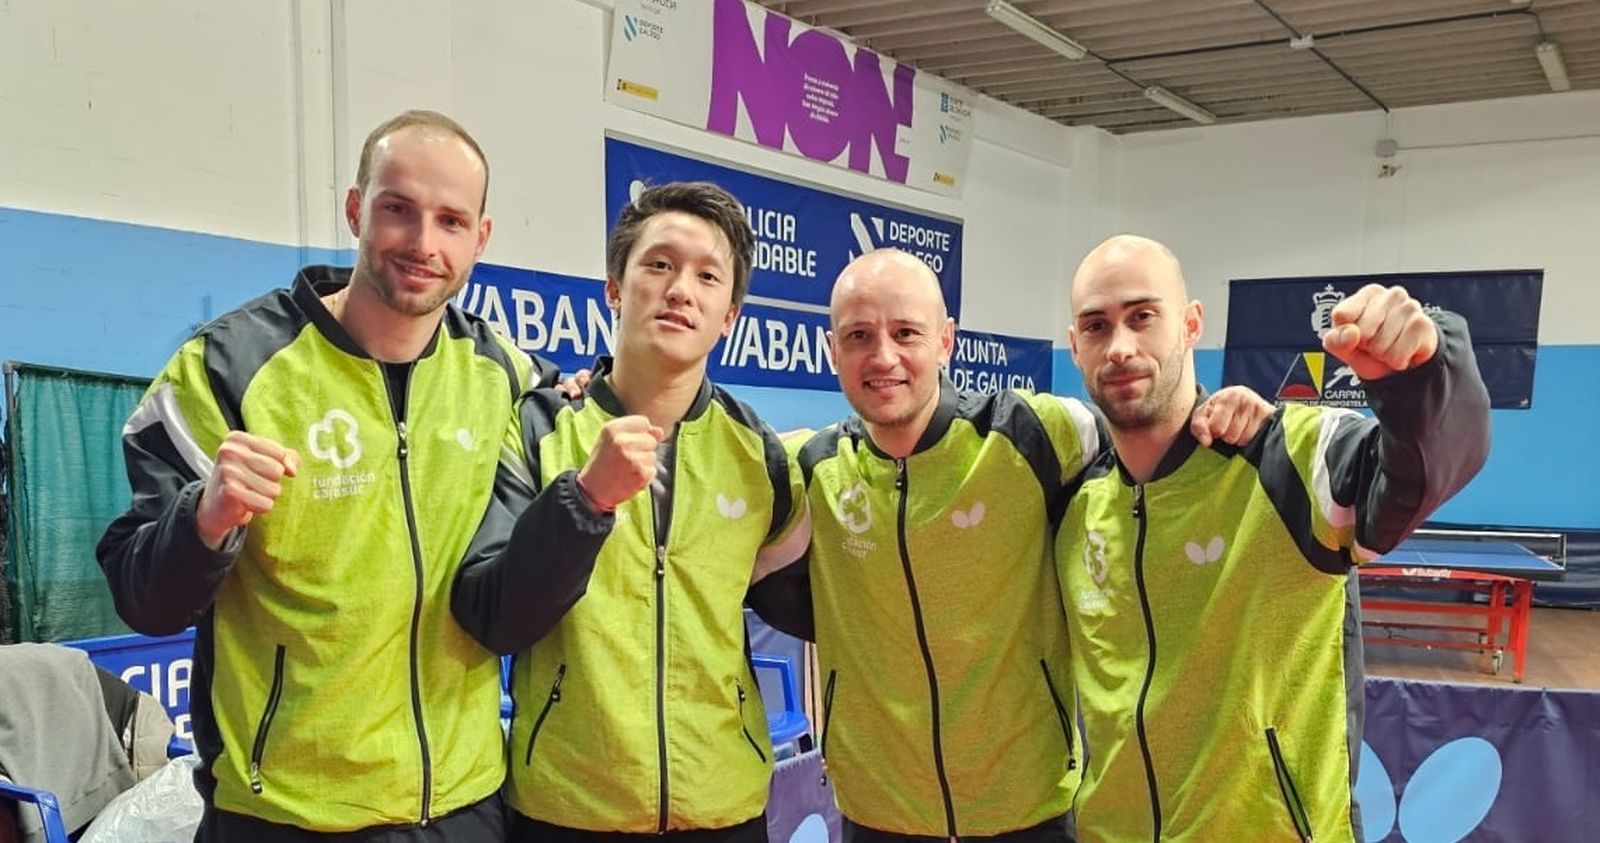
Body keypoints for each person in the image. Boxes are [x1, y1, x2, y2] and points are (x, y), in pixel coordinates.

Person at [95, 110, 555, 841]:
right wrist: (204, 519)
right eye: (398, 209)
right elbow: (139, 594)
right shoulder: (226, 368)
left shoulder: (508, 376)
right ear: (354, 209)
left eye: (451, 221)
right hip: (284, 815)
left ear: (481, 237)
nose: (424, 242)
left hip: (465, 805)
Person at [749, 248, 1273, 842]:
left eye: (906, 333)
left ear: (945, 341)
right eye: (859, 336)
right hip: (879, 814)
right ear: (832, 350)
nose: (884, 356)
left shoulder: (1032, 433)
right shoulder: (809, 469)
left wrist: (1221, 411)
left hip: (1028, 810)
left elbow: (1150, 430)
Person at [1054, 235, 1490, 842]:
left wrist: (1423, 375)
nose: (1120, 346)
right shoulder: (1073, 504)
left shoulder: (1286, 460)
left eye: (1143, 316)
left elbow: (1419, 475)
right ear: (1076, 347)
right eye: (1097, 326)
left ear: (1191, 324)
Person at [451, 181, 809, 842]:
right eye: (659, 264)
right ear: (615, 288)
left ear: (729, 314)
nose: (681, 290)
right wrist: (584, 500)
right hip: (568, 808)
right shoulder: (538, 429)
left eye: (708, 276)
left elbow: (806, 594)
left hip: (724, 806)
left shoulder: (760, 455)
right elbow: (496, 616)